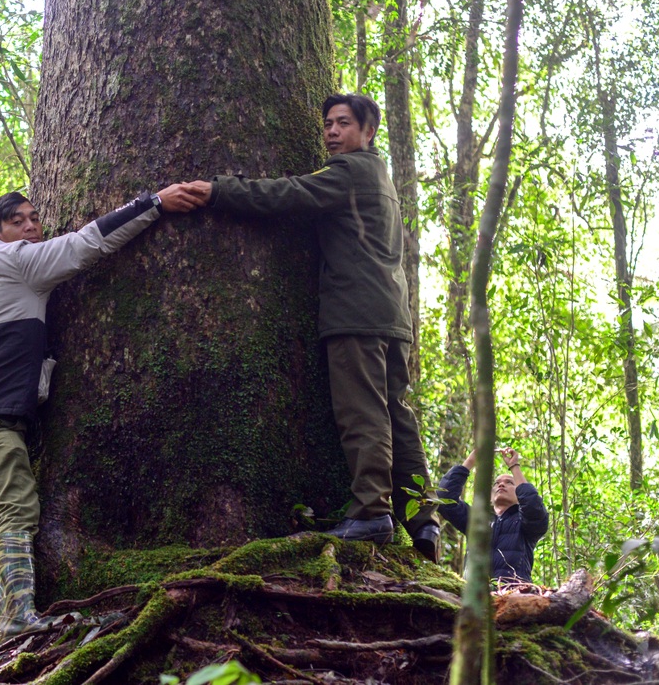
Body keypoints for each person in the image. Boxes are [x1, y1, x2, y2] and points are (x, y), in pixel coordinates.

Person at [0, 184, 202, 640]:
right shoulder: (12, 258)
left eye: (34, 218)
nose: (32, 226)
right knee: (16, 507)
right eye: (19, 220)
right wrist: (154, 203)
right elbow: (88, 242)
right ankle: (16, 616)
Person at [183, 94, 441, 560]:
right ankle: (422, 520)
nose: (331, 132)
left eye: (343, 123)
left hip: (356, 313)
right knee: (396, 415)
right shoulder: (380, 176)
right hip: (390, 315)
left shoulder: (349, 172)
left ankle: (370, 513)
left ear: (368, 132)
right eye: (328, 123)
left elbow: (287, 194)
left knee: (363, 413)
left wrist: (218, 190)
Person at [437, 447, 549, 584]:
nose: (501, 484)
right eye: (496, 483)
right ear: (491, 496)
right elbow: (444, 498)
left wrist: (514, 466)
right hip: (473, 597)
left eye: (509, 482)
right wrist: (473, 458)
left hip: (514, 595)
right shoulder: (477, 520)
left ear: (519, 493)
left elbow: (533, 507)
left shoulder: (524, 521)